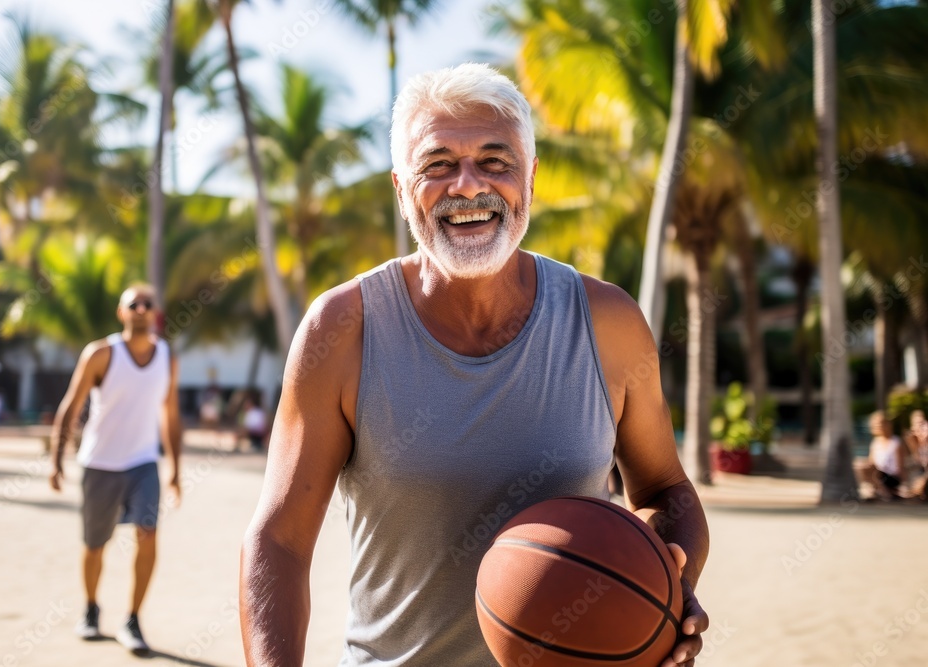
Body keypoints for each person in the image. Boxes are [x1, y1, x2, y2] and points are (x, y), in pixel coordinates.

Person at [239, 64, 709, 667]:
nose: (467, 185)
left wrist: (666, 587)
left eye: (495, 160)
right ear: (401, 187)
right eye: (437, 164)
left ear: (531, 180)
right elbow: (278, 538)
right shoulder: (342, 328)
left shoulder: (608, 321)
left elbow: (666, 489)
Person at [49, 284, 181, 655]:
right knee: (95, 545)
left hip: (143, 464)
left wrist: (175, 469)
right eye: (133, 304)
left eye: (148, 304)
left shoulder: (167, 357)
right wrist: (56, 460)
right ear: (121, 313)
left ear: (156, 313)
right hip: (100, 463)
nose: (141, 308)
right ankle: (91, 609)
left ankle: (132, 619)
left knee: (149, 533)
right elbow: (71, 405)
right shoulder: (101, 354)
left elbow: (169, 416)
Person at [865, 411, 906, 501]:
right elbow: (870, 462)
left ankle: (885, 493)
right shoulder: (875, 442)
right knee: (860, 466)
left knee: (875, 472)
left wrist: (904, 483)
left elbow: (900, 466)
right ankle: (878, 490)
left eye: (881, 423)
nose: (878, 426)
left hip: (892, 477)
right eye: (876, 424)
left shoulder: (896, 442)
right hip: (879, 475)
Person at [904, 409, 928, 500]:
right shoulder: (912, 440)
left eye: (922, 423)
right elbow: (917, 462)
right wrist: (913, 444)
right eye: (917, 424)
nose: (920, 427)